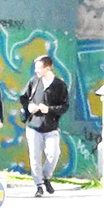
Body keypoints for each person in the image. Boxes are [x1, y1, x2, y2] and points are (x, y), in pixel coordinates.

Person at [19, 55, 70, 195]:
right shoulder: (34, 82)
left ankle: (46, 177)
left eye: (39, 68)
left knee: (54, 154)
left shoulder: (60, 85)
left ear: (48, 68)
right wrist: (29, 106)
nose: (36, 71)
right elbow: (23, 98)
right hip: (34, 126)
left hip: (51, 126)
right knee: (35, 157)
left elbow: (65, 106)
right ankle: (39, 185)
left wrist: (50, 110)